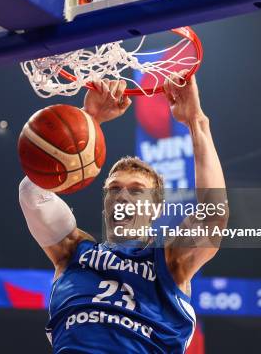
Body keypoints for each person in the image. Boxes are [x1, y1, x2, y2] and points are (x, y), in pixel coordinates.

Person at [19, 75, 228, 353]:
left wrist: (196, 121)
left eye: (136, 189)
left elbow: (212, 217)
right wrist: (88, 121)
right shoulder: (73, 251)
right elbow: (32, 195)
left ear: (155, 206)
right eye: (114, 188)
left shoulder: (169, 262)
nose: (123, 195)